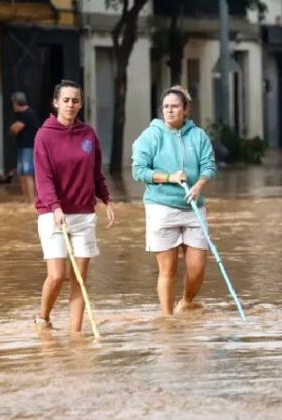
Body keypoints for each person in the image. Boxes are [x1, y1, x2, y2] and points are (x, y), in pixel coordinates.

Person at [33, 80, 115, 332]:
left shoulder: (88, 134)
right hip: (52, 214)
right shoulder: (44, 136)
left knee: (79, 278)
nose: (71, 105)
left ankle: (75, 335)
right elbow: (43, 178)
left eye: (75, 100)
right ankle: (43, 319)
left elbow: (96, 173)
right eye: (66, 100)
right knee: (57, 275)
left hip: (83, 215)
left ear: (80, 104)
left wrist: (107, 200)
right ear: (56, 102)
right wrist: (56, 207)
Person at [131, 86, 216, 316]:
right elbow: (139, 171)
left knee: (197, 269)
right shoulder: (150, 136)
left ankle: (186, 302)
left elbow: (209, 166)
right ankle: (167, 319)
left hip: (193, 208)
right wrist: (169, 177)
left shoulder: (198, 136)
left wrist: (198, 186)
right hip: (161, 207)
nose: (170, 110)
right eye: (166, 107)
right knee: (168, 269)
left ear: (185, 110)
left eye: (175, 106)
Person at [10, 92, 40, 203]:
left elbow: (14, 129)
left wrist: (14, 128)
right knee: (21, 174)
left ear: (17, 103)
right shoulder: (21, 115)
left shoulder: (28, 114)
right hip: (22, 147)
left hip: (29, 148)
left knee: (27, 174)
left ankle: (32, 200)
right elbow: (13, 130)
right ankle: (27, 199)